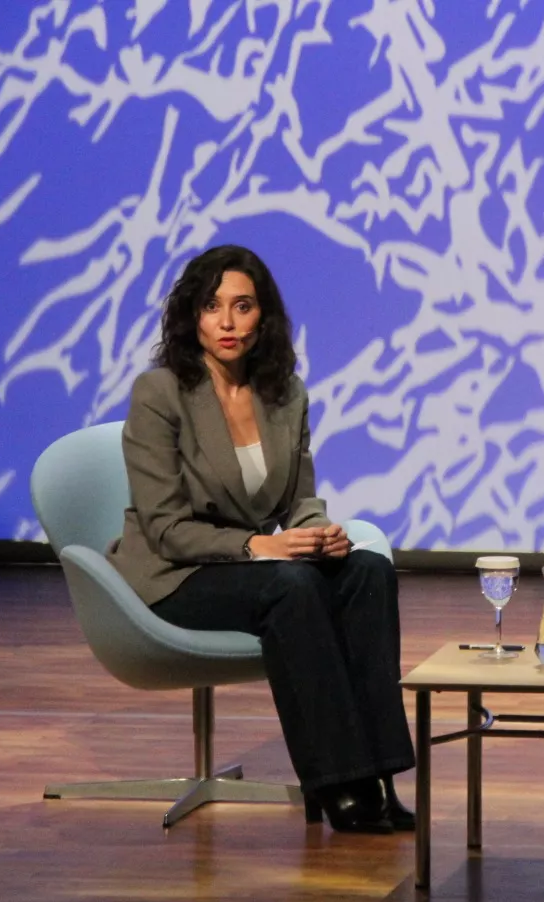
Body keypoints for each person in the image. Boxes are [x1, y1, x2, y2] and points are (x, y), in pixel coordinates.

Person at [107, 244, 415, 833]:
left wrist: (316, 536)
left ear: (263, 316)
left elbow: (300, 499)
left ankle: (380, 777)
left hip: (250, 567)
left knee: (368, 572)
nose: (227, 322)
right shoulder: (160, 393)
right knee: (290, 588)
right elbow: (165, 526)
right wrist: (257, 547)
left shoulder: (285, 394)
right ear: (191, 316)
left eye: (242, 306)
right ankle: (336, 783)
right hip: (173, 573)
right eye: (211, 306)